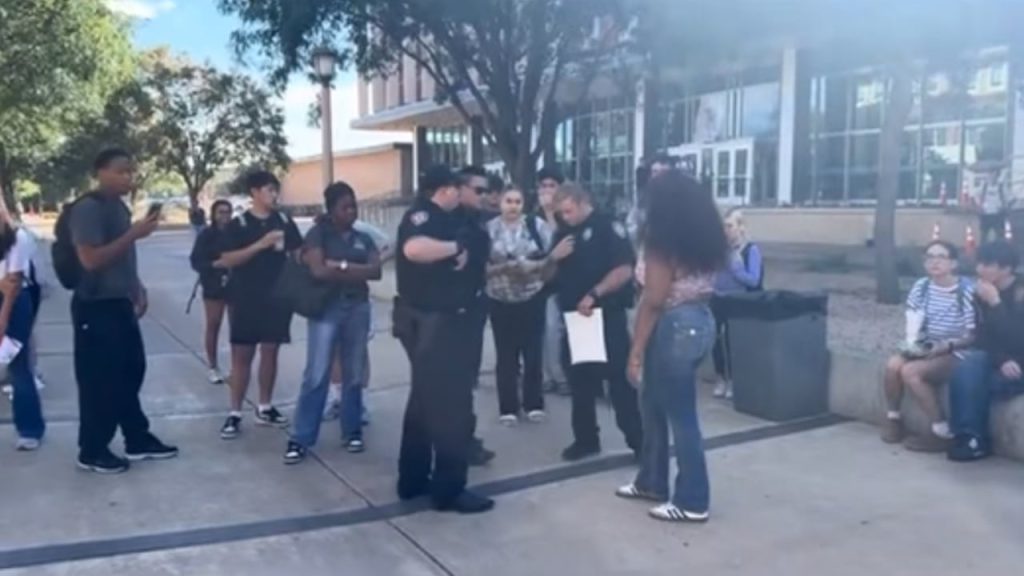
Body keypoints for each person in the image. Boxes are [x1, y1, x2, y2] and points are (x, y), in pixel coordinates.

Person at [615, 170, 725, 523]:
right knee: (654, 406)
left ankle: (693, 499)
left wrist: (635, 349)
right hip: (700, 320)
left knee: (680, 416)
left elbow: (654, 299)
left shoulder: (662, 239)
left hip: (674, 324)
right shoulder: (703, 235)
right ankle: (652, 480)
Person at [393, 165, 494, 514]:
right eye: (471, 190)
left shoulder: (463, 220)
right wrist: (453, 248)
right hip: (437, 324)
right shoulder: (425, 216)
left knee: (423, 404)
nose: (479, 197)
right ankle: (449, 489)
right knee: (452, 408)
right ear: (448, 189)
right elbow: (414, 249)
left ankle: (413, 479)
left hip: (450, 322)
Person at [70, 148, 177, 473]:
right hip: (95, 306)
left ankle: (136, 437)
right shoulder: (88, 209)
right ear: (100, 171)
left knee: (130, 371)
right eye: (120, 171)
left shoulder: (117, 207)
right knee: (99, 381)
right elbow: (90, 259)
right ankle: (92, 449)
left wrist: (136, 286)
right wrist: (135, 233)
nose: (128, 178)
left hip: (119, 303)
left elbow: (122, 256)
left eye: (130, 172)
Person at [284, 182, 380, 464]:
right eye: (345, 207)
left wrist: (339, 265)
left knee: (353, 373)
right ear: (332, 209)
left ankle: (351, 431)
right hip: (327, 308)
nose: (351, 211)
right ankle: (301, 437)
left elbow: (375, 272)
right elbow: (318, 271)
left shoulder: (363, 237)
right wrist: (351, 269)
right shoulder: (318, 234)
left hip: (358, 308)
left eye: (354, 206)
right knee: (316, 374)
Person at [550, 182, 643, 461]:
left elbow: (625, 269)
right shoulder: (563, 232)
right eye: (560, 213)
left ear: (582, 201)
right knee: (580, 383)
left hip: (604, 315)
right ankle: (586, 439)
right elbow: (547, 274)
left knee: (618, 382)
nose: (564, 217)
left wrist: (595, 293)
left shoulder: (607, 227)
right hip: (576, 319)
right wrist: (553, 257)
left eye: (568, 210)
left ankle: (639, 441)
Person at [215, 171, 303, 439]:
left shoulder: (285, 221)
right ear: (254, 192)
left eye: (275, 190)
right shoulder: (239, 224)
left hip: (278, 297)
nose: (273, 195)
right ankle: (234, 412)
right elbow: (227, 259)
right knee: (242, 355)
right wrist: (260, 245)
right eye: (268, 190)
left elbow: (299, 252)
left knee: (271, 350)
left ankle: (265, 406)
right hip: (245, 297)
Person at [880, 240, 975, 452]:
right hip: (927, 344)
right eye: (930, 257)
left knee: (911, 372)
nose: (935, 262)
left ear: (953, 263)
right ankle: (893, 419)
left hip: (957, 350)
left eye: (941, 257)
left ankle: (941, 431)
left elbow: (973, 335)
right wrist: (913, 344)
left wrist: (946, 346)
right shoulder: (921, 287)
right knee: (893, 365)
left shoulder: (966, 291)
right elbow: (913, 320)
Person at [485, 185, 558, 425]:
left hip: (532, 297)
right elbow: (480, 266)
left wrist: (534, 267)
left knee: (532, 353)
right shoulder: (489, 229)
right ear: (500, 203)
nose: (513, 206)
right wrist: (504, 268)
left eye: (517, 201)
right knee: (506, 355)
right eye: (508, 201)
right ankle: (508, 407)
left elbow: (553, 257)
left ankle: (533, 403)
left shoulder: (537, 227)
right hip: (500, 298)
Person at [946, 242, 1024, 462]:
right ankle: (971, 439)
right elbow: (982, 338)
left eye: (987, 264)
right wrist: (1002, 360)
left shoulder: (1019, 294)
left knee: (973, 384)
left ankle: (971, 435)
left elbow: (1019, 338)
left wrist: (996, 303)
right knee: (969, 366)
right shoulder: (982, 293)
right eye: (978, 263)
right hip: (1001, 362)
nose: (979, 269)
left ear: (1006, 269)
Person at [323, 218, 393, 423]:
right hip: (330, 296)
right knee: (334, 349)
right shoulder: (324, 231)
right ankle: (337, 398)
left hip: (357, 297)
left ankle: (361, 401)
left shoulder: (362, 231)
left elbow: (389, 245)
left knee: (359, 350)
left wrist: (369, 265)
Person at [454, 165, 497, 466]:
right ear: (461, 189)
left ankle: (465, 439)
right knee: (455, 381)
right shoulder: (450, 223)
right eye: (478, 190)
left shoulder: (478, 222)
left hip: (474, 306)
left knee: (467, 378)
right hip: (455, 310)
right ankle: (458, 442)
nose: (484, 196)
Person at [0, 209, 44, 451]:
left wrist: (2, 321)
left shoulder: (18, 237)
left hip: (14, 304)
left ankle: (29, 429)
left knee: (19, 367)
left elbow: (13, 283)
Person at [710, 208, 764, 399]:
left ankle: (734, 379)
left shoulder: (751, 250)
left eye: (730, 226)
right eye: (724, 226)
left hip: (739, 301)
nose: (727, 231)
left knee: (733, 342)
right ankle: (720, 378)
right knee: (715, 340)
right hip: (718, 298)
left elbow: (754, 280)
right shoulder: (720, 250)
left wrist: (736, 270)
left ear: (741, 227)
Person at [189, 199, 234, 385]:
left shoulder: (237, 233)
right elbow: (196, 261)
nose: (224, 216)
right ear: (214, 215)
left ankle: (236, 366)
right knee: (213, 324)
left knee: (237, 326)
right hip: (213, 284)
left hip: (235, 284)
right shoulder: (207, 235)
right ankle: (213, 366)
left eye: (227, 212)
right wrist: (214, 265)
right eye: (221, 212)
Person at [536, 167, 569, 397]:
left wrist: (551, 213)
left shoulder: (567, 213)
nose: (547, 191)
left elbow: (562, 242)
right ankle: (549, 376)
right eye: (543, 186)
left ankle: (563, 375)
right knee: (547, 329)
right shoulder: (532, 216)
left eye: (552, 185)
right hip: (542, 281)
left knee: (560, 330)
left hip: (565, 279)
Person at [976, 163, 1011, 243]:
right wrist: (979, 206)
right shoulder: (983, 186)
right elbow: (974, 196)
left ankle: (999, 252)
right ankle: (983, 252)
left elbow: (1009, 199)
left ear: (997, 175)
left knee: (1000, 236)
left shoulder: (1001, 187)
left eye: (994, 173)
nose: (991, 175)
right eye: (990, 173)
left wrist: (1004, 206)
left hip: (998, 215)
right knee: (984, 236)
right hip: (985, 214)